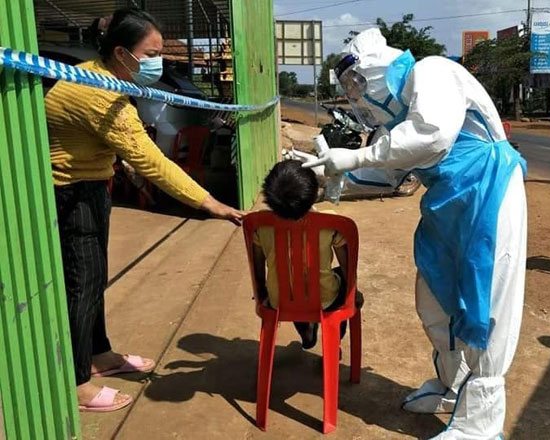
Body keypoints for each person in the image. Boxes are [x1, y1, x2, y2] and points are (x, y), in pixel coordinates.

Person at [305, 28, 528, 439]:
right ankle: (450, 385)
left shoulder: (432, 71)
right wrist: (333, 176)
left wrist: (356, 154)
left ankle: (480, 423)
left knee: (486, 304)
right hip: (446, 207)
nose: (357, 95)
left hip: (488, 194)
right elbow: (387, 174)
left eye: (357, 83)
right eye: (349, 89)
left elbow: (433, 135)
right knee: (435, 299)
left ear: (376, 70)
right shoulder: (397, 124)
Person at [45, 8, 246, 412]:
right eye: (150, 54)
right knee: (81, 285)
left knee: (93, 277)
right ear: (122, 53)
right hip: (69, 190)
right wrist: (212, 205)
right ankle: (76, 382)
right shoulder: (100, 96)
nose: (158, 62)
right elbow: (153, 162)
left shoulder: (97, 73)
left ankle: (99, 355)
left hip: (91, 183)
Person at [252, 159, 364, 348]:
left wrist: (263, 294)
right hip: (324, 299)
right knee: (340, 279)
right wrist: (355, 293)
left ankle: (306, 330)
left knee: (291, 285)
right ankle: (334, 339)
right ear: (312, 195)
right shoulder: (331, 223)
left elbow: (257, 269)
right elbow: (348, 266)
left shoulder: (259, 226)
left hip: (279, 300)